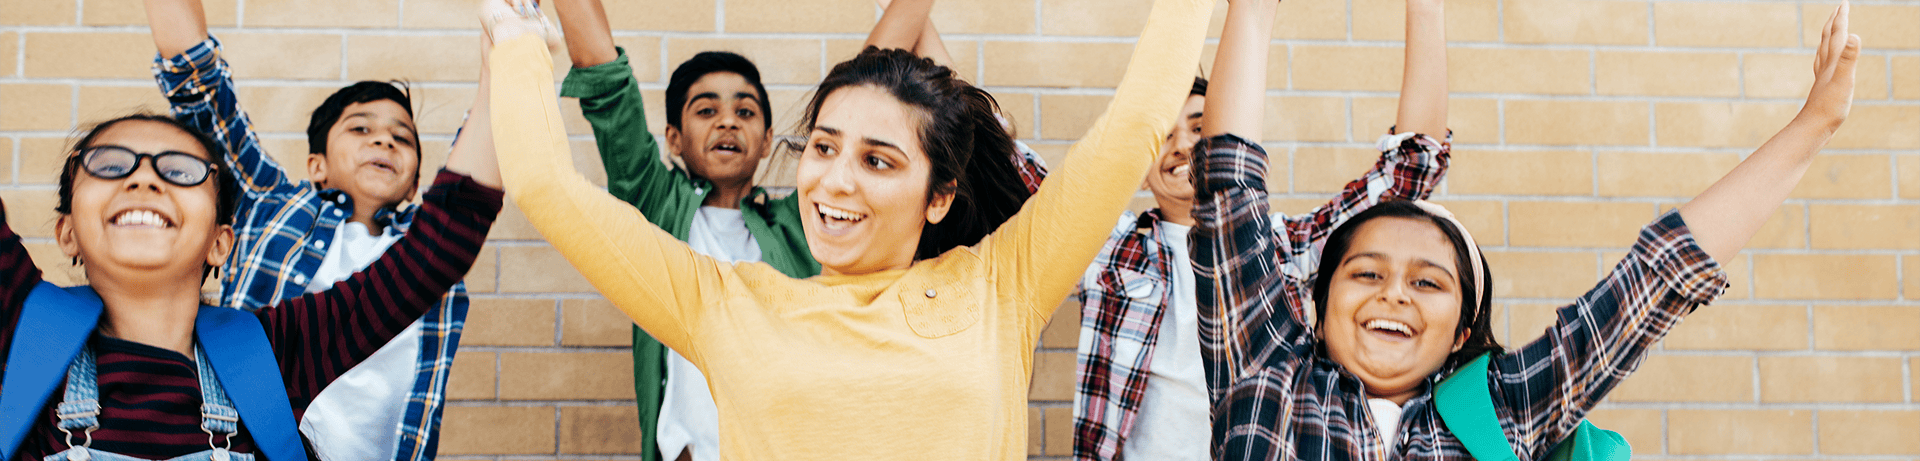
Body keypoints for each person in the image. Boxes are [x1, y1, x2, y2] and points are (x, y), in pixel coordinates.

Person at [480, 0, 1212, 455]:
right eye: (824, 146)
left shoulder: (1001, 283)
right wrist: (514, 39)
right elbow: (545, 187)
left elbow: (1134, 126)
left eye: (879, 160)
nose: (835, 179)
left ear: (938, 196)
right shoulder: (725, 303)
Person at [1191, 3, 1860, 459]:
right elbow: (1230, 179)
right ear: (1317, 304)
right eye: (1367, 272)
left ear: (1460, 331)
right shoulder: (1267, 372)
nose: (1394, 292)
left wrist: (1814, 125)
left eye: (1428, 281)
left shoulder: (1506, 407)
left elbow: (1652, 282)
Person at [0, 112, 501, 459]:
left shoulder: (273, 352)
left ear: (221, 243)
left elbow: (439, 245)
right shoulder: (18, 325)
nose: (144, 179)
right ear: (67, 232)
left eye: (179, 170)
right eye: (109, 166)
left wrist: (506, 48)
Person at [1072, 0, 1449, 456]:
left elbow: (1408, 171)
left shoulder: (1278, 250)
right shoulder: (1107, 248)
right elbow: (998, 156)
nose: (1183, 145)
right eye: (1163, 135)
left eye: (1198, 127)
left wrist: (1426, 10)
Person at [142, 0, 494, 458]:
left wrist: (505, 44)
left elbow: (483, 155)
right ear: (317, 166)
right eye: (360, 129)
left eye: (402, 137)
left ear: (414, 182)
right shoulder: (268, 203)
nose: (384, 139)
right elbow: (202, 89)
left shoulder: (428, 245)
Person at [547, 1, 813, 460]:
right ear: (674, 138)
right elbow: (607, 82)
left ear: (768, 140)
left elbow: (862, 97)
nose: (728, 121)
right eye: (706, 111)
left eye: (745, 112)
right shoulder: (653, 205)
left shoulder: (802, 225)